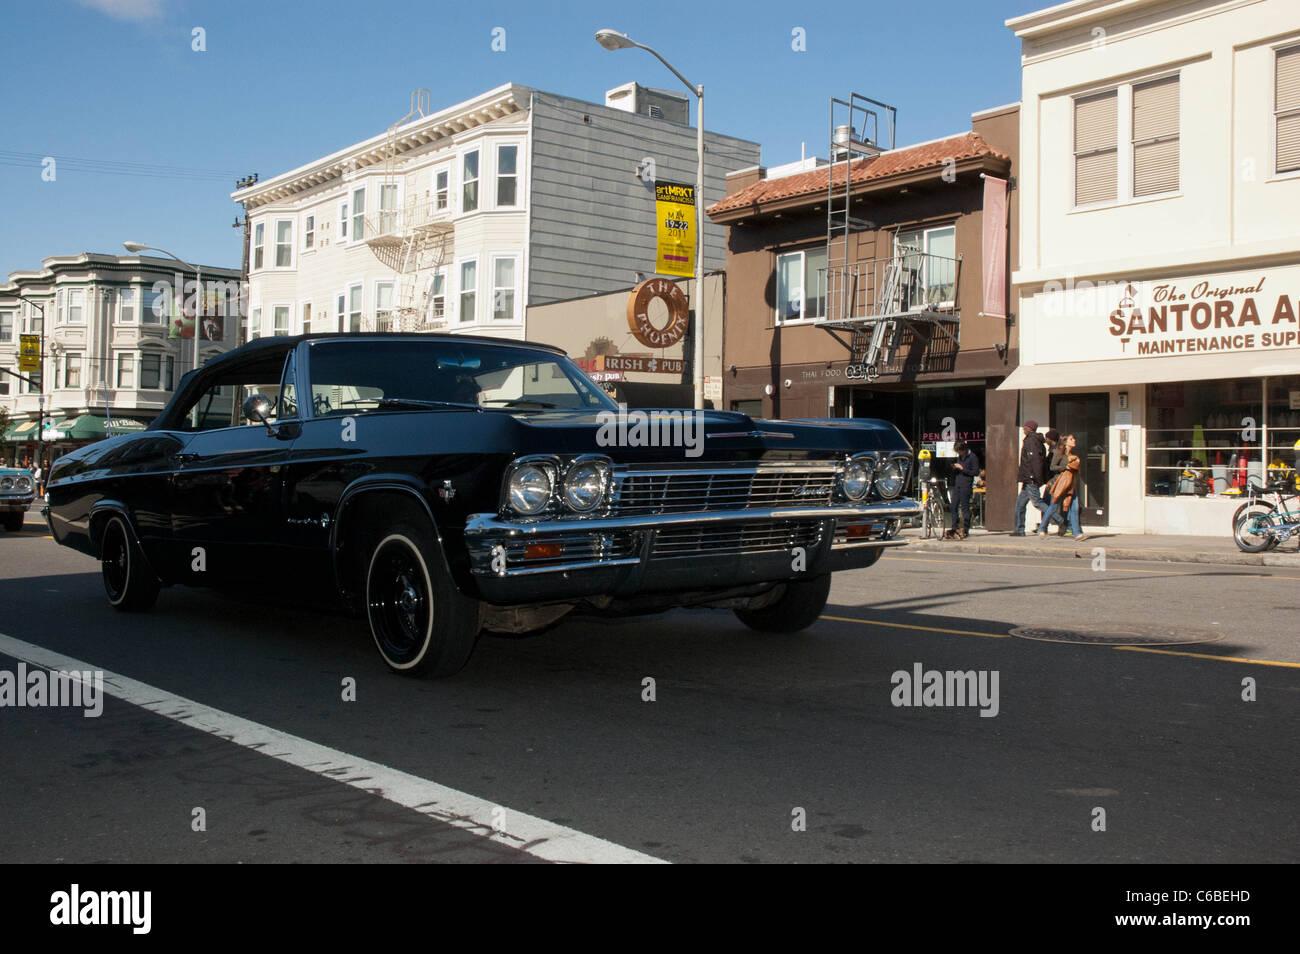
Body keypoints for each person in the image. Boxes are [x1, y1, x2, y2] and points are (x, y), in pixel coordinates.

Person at [1039, 434, 1087, 541]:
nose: (1074, 440)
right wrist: (1065, 467)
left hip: (1070, 484)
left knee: (1074, 507)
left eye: (1073, 438)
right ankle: (1042, 528)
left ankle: (1076, 533)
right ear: (1065, 442)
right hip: (1060, 484)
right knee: (1053, 507)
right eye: (1071, 439)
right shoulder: (1058, 453)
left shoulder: (1073, 455)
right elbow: (1052, 467)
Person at [1012, 420, 1047, 535]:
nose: (1023, 429)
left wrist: (1034, 477)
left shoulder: (1031, 441)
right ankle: (1019, 529)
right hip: (1028, 478)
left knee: (1037, 502)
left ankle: (1060, 521)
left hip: (1031, 478)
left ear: (1030, 429)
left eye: (1025, 427)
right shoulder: (1032, 440)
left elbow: (1035, 461)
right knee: (1020, 504)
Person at [945, 440, 980, 539]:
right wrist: (955, 468)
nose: (959, 453)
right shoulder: (959, 457)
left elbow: (975, 472)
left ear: (964, 449)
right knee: (953, 506)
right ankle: (954, 527)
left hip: (966, 485)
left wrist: (962, 468)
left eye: (959, 451)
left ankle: (966, 529)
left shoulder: (972, 457)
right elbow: (959, 469)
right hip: (958, 484)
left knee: (965, 507)